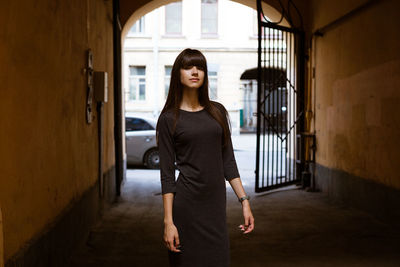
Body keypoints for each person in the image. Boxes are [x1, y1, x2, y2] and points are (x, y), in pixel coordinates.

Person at [156, 48, 254, 267]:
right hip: (187, 206)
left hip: (215, 206)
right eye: (188, 66)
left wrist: (244, 202)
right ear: (177, 74)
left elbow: (228, 161)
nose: (194, 71)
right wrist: (168, 222)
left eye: (200, 67)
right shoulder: (169, 119)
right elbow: (167, 174)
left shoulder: (217, 112)